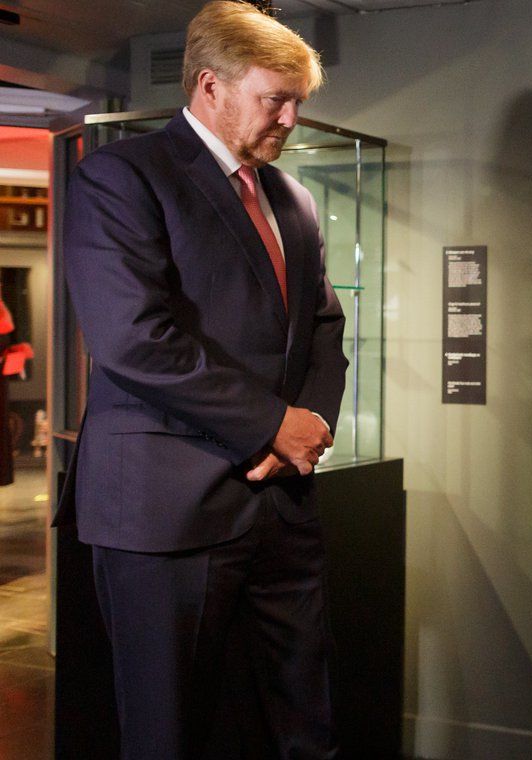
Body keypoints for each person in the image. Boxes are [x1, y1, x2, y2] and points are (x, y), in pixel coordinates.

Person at [54, 2, 347, 758]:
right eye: (273, 99)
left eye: (297, 103)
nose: (289, 118)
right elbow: (133, 339)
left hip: (281, 502)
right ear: (211, 87)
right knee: (168, 736)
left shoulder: (294, 199)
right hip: (163, 514)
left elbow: (324, 330)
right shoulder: (120, 176)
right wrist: (272, 424)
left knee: (303, 731)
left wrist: (305, 430)